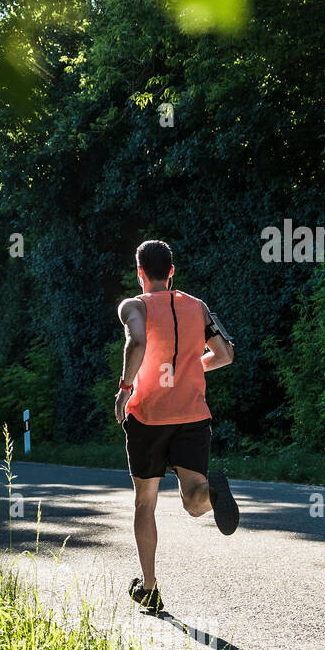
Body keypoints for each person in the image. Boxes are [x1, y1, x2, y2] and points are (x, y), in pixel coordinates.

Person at [114, 239, 239, 615]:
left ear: (140, 272)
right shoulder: (197, 307)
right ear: (171, 272)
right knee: (193, 501)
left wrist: (123, 391)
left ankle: (150, 588)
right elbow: (225, 354)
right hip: (192, 416)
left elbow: (137, 341)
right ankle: (212, 492)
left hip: (148, 417)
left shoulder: (133, 305)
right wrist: (188, 368)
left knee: (145, 502)